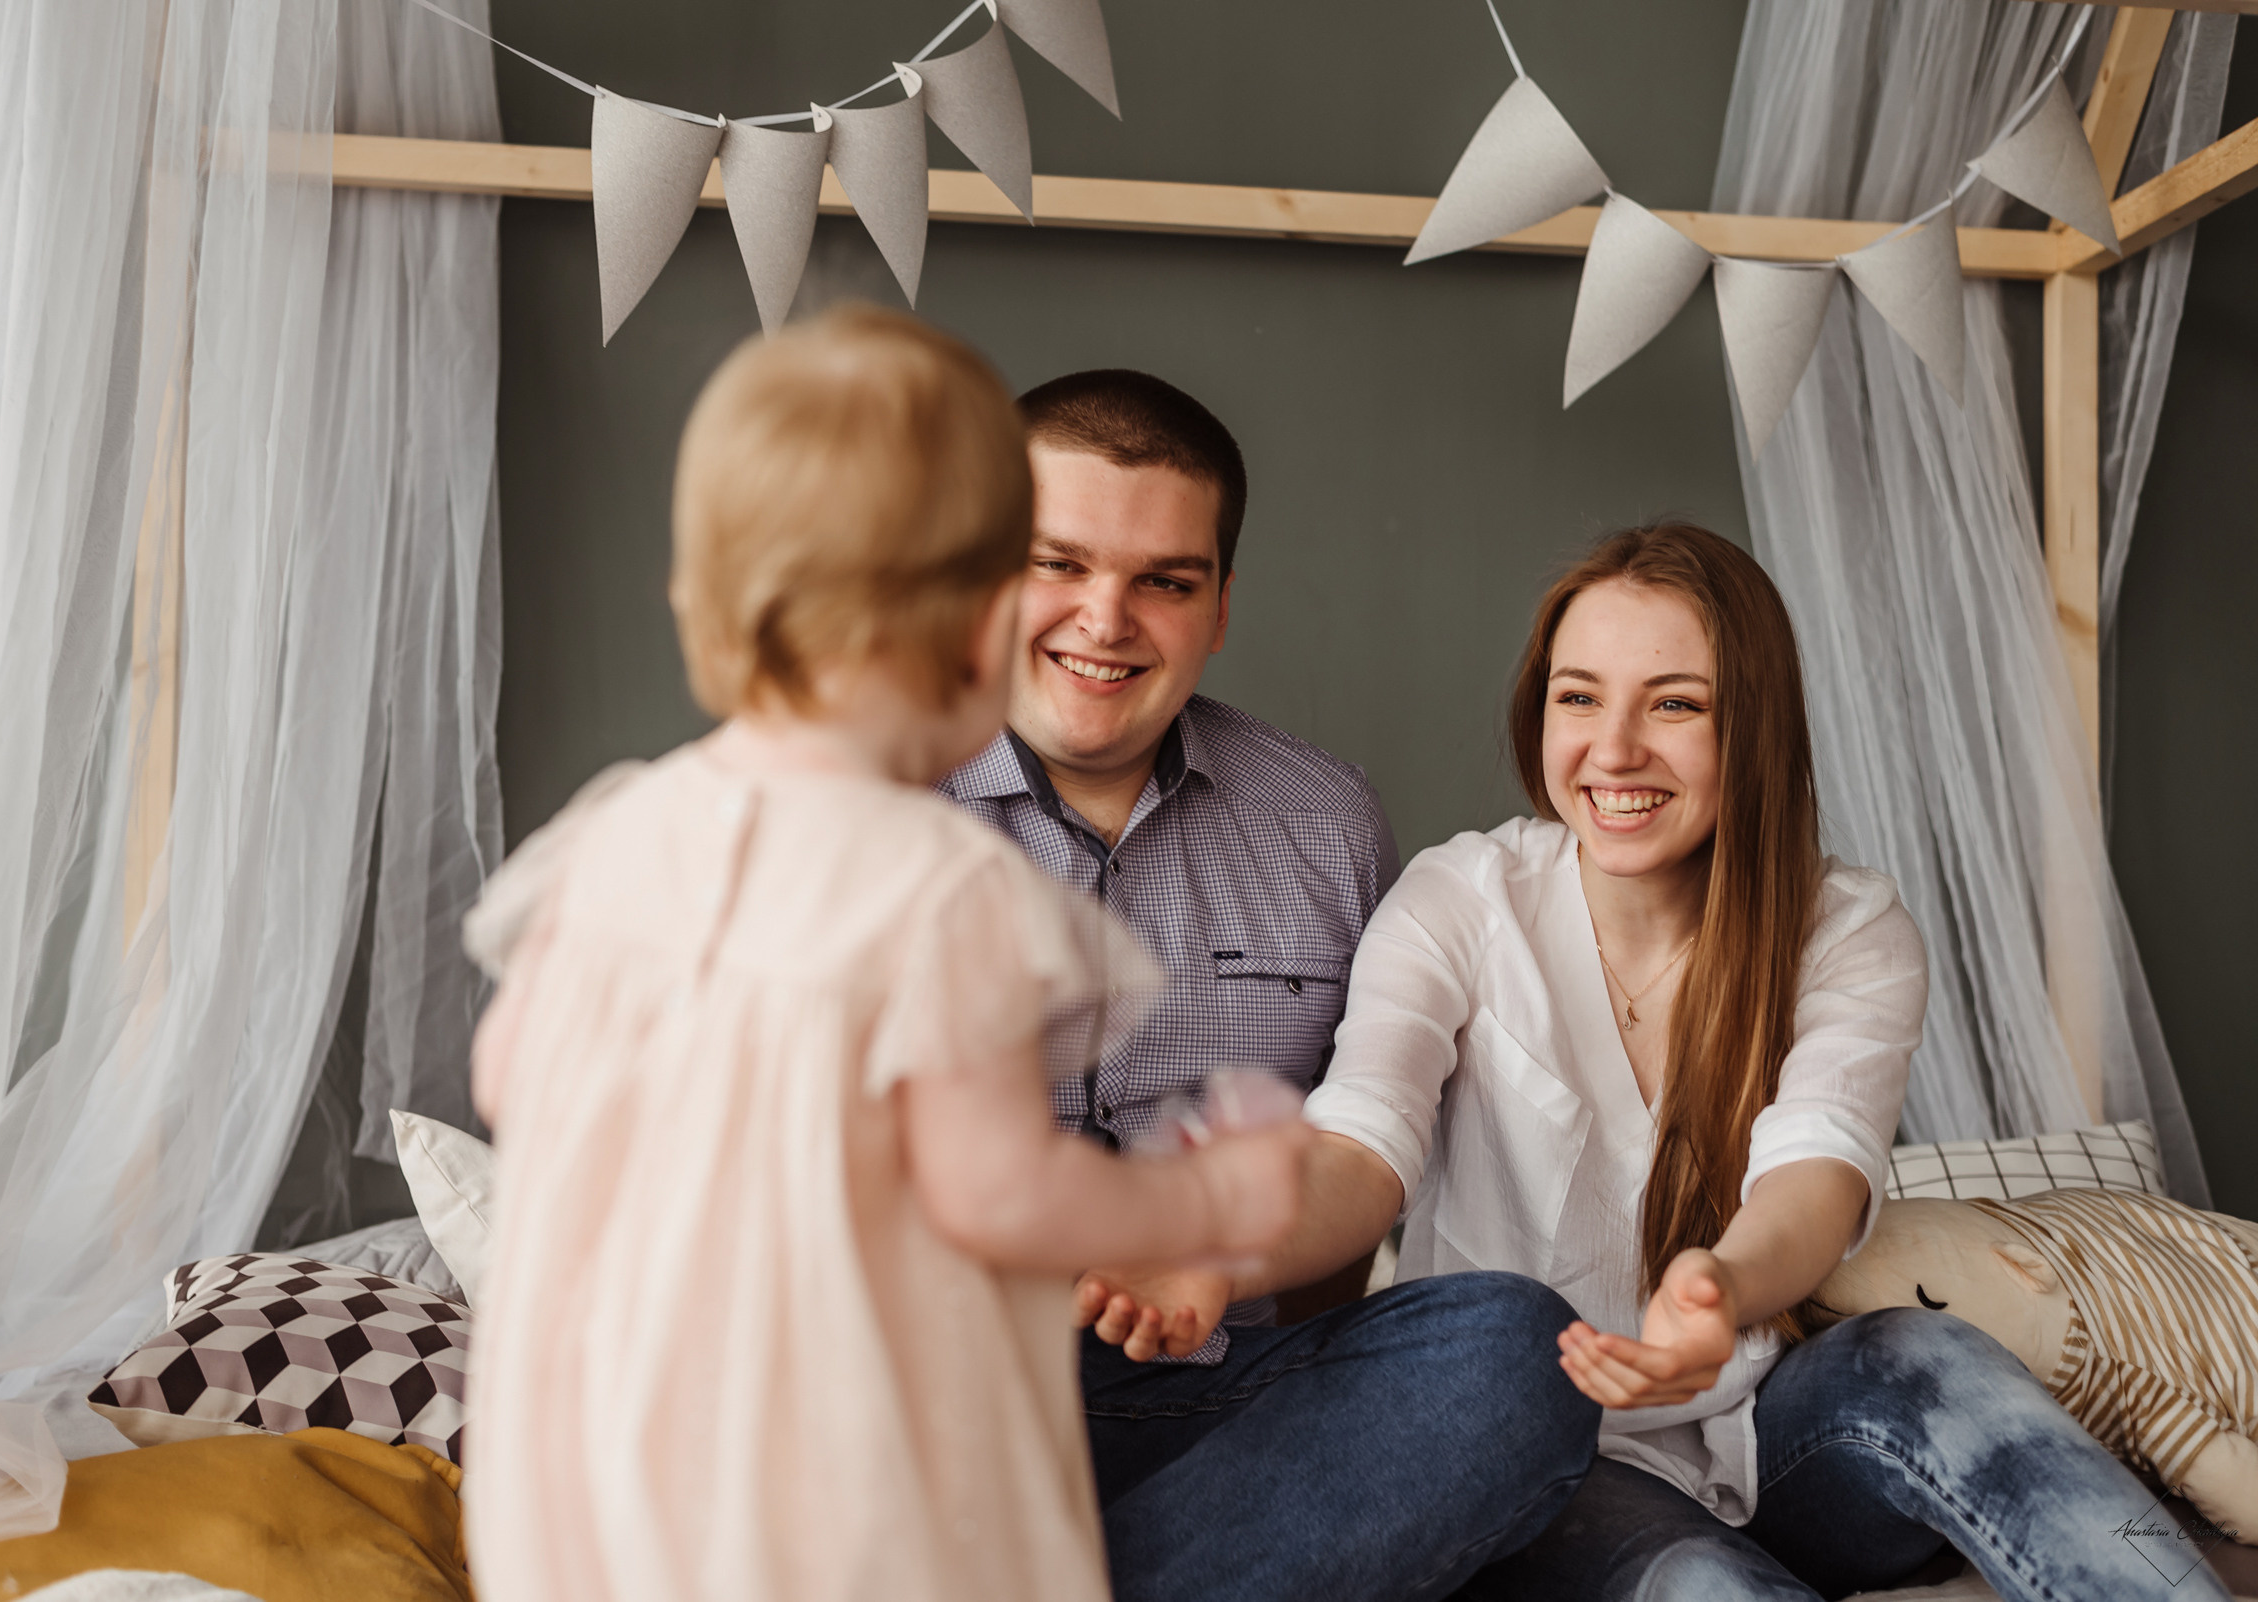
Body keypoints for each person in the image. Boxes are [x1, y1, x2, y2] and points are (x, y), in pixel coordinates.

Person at [1167, 521, 2220, 1601]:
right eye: (1579, 698)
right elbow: (1361, 1143)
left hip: (1774, 1428)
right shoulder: (1460, 901)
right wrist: (1225, 1252)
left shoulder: (1849, 927)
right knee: (1709, 1583)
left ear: (1753, 725)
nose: (1615, 749)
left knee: (1932, 1354)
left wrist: (1723, 1288)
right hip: (1555, 1452)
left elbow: (1817, 1173)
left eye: (1674, 705)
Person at [456, 309, 1314, 1602]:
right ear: (982, 622)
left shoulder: (620, 831)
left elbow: (506, 1077)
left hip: (593, 1458)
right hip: (823, 1480)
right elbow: (1001, 1194)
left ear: (704, 596)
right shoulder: (936, 887)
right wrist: (1205, 1206)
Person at [943, 370, 1602, 1602]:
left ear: (1220, 607)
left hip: (1211, 1408)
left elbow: (1346, 1176)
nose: (1105, 620)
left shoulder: (1326, 824)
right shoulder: (846, 806)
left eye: (1164, 582)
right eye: (1057, 565)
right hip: (929, 1410)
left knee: (1521, 1354)